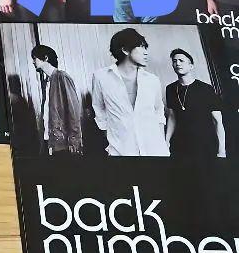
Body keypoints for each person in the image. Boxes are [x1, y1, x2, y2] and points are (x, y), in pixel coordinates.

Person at [90, 27, 168, 156]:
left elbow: (159, 111)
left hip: (155, 150)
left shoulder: (152, 80)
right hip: (120, 151)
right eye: (141, 47)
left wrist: (161, 142)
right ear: (125, 50)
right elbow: (99, 110)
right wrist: (113, 139)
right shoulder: (101, 77)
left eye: (146, 48)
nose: (146, 53)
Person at [165, 48, 225, 159]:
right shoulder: (170, 89)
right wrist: (166, 141)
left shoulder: (206, 89)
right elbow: (172, 117)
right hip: (181, 146)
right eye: (174, 61)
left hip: (205, 145)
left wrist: (222, 151)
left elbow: (218, 121)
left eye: (181, 60)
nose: (177, 63)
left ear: (191, 66)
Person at [31, 44, 83, 154]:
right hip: (50, 142)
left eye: (34, 58)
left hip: (63, 145)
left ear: (45, 58)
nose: (33, 62)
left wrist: (74, 141)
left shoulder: (62, 77)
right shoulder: (47, 82)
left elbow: (74, 111)